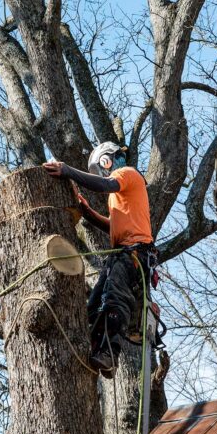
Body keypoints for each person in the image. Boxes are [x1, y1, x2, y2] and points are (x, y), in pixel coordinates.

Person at [42, 142, 155, 378]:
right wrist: (87, 212)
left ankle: (110, 353)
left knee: (115, 297)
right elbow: (113, 226)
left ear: (106, 161)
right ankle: (94, 348)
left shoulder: (127, 173)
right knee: (93, 305)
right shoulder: (123, 198)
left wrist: (68, 171)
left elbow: (106, 185)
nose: (103, 174)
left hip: (134, 252)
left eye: (101, 170)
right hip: (123, 253)